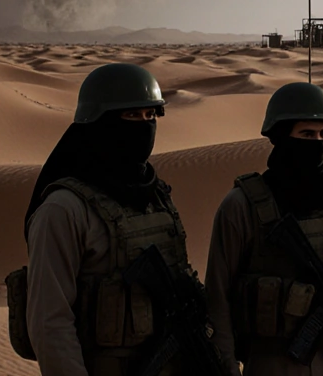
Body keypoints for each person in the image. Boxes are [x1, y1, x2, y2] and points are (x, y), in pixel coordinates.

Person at [15, 63, 198, 376]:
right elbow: (51, 325)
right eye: (131, 116)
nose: (144, 126)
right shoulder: (63, 210)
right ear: (98, 123)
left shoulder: (156, 197)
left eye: (150, 116)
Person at [204, 82, 323, 376]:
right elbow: (218, 299)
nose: (317, 143)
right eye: (306, 134)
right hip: (273, 364)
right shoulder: (241, 207)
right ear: (281, 137)